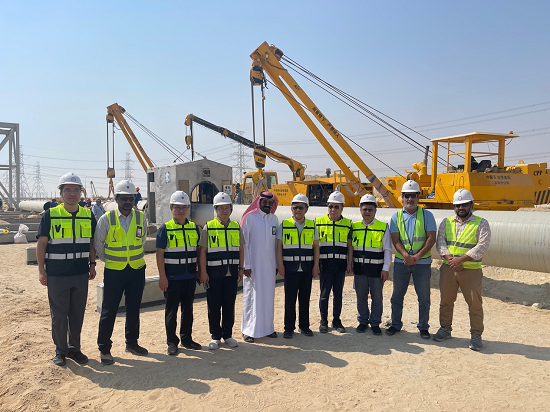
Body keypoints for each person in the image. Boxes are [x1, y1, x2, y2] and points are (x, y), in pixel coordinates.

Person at [36, 172, 97, 366]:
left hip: (80, 273)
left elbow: (91, 243)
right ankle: (60, 351)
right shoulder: (50, 215)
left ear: (81, 193)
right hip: (57, 274)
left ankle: (74, 349)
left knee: (77, 314)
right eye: (68, 190)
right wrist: (41, 271)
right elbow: (41, 244)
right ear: (61, 193)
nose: (72, 193)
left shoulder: (88, 215)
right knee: (59, 315)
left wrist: (92, 265)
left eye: (76, 190)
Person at [94, 179, 148, 365]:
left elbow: (142, 240)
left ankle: (132, 343)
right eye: (124, 198)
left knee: (134, 308)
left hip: (136, 270)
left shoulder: (140, 217)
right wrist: (110, 259)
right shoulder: (106, 219)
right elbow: (98, 244)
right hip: (114, 271)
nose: (127, 202)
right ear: (116, 199)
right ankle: (104, 348)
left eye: (131, 198)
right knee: (109, 310)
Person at [433, 189, 491, 351]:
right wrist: (451, 260)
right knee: (446, 301)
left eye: (464, 204)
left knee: (474, 304)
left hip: (470, 270)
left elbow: (482, 246)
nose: (461, 208)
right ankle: (445, 328)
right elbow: (441, 242)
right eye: (458, 205)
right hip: (449, 269)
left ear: (471, 204)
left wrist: (461, 260)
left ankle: (476, 335)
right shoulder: (446, 222)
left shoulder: (481, 223)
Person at [387, 180, 437, 339]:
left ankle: (423, 327)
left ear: (418, 197)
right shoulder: (396, 217)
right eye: (407, 196)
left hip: (422, 263)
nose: (410, 199)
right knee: (397, 296)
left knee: (424, 298)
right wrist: (406, 256)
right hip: (402, 262)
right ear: (402, 197)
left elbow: (431, 238)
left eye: (413, 196)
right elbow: (395, 239)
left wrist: (416, 257)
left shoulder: (427, 215)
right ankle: (395, 324)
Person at [156, 191, 202, 355]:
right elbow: (159, 254)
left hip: (189, 276)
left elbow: (198, 251)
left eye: (184, 207)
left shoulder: (194, 228)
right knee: (171, 311)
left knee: (188, 310)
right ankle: (171, 342)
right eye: (177, 207)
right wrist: (162, 277)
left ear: (188, 208)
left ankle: (186, 338)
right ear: (171, 208)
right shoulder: (165, 228)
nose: (181, 210)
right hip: (172, 277)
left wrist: (199, 271)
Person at [198, 192, 244, 350]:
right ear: (216, 209)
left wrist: (241, 269)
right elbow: (202, 252)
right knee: (214, 305)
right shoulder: (209, 227)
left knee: (229, 305)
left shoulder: (236, 226)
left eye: (227, 207)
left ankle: (228, 335)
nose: (224, 210)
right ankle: (215, 336)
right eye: (221, 208)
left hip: (231, 273)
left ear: (231, 209)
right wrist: (203, 272)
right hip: (214, 273)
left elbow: (241, 249)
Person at [277, 193, 319, 338]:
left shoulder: (312, 225)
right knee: (290, 299)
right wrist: (280, 265)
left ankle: (304, 326)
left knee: (305, 299)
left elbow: (316, 247)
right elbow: (279, 246)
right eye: (295, 207)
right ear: (291, 209)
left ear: (306, 209)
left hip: (307, 268)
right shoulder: (284, 225)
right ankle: (289, 328)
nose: (298, 210)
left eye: (301, 207)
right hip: (290, 268)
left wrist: (315, 266)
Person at [240, 191, 279, 343]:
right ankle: (248, 330)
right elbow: (244, 243)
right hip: (253, 266)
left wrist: (276, 264)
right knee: (252, 297)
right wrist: (246, 265)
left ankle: (267, 328)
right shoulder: (251, 218)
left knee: (268, 297)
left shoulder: (274, 219)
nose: (267, 205)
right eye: (265, 202)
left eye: (270, 203)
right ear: (259, 202)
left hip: (269, 266)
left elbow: (275, 244)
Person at [351, 194, 391, 336]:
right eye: (364, 209)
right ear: (360, 210)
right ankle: (363, 321)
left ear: (375, 210)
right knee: (361, 297)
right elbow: (350, 248)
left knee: (377, 298)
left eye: (370, 209)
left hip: (376, 270)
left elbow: (387, 250)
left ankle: (375, 323)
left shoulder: (383, 227)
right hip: (360, 270)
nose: (367, 212)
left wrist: (385, 269)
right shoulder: (354, 227)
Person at [315, 191, 352, 333]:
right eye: (331, 206)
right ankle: (323, 320)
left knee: (338, 294)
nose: (333, 209)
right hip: (325, 265)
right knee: (324, 294)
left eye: (337, 207)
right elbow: (315, 246)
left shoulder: (348, 224)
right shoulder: (318, 222)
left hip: (340, 265)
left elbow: (349, 246)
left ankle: (336, 320)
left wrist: (349, 263)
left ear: (342, 208)